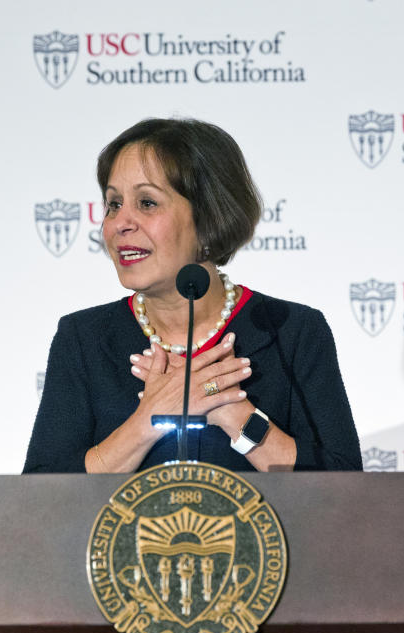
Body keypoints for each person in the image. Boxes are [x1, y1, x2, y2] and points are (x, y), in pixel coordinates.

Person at [23, 118, 360, 474]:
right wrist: (149, 418)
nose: (120, 223)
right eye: (113, 204)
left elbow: (343, 491)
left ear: (209, 218)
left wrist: (234, 414)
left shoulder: (292, 332)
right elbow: (45, 496)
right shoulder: (84, 338)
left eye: (147, 203)